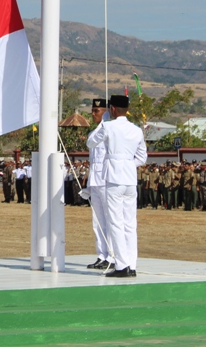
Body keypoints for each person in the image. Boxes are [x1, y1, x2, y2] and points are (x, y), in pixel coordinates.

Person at [87, 95, 147, 279]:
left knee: (115, 223)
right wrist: (127, 163)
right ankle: (132, 264)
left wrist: (115, 161)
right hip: (130, 179)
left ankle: (122, 265)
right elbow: (142, 158)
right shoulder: (136, 130)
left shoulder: (108, 126)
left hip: (113, 179)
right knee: (130, 223)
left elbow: (90, 143)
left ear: (112, 109)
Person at [84, 98, 112, 271]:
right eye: (93, 110)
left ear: (106, 111)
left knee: (110, 221)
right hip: (95, 182)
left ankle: (112, 256)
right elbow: (93, 161)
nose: (93, 114)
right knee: (98, 222)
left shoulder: (110, 130)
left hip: (107, 181)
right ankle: (102, 255)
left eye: (97, 111)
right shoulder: (94, 133)